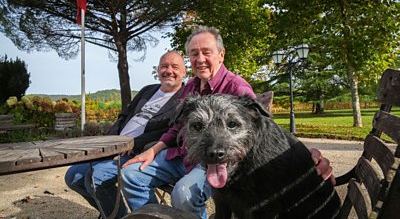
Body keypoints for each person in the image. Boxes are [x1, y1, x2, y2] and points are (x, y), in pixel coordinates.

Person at [120, 26, 335, 219]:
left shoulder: (238, 88)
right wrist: (154, 149)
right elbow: (176, 127)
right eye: (194, 54)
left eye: (207, 52)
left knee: (183, 193)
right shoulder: (191, 87)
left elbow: (263, 134)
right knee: (130, 174)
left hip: (223, 163)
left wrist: (307, 155)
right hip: (188, 156)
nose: (200, 58)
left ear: (221, 55)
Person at [64, 50, 187, 218]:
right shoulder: (148, 90)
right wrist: (111, 141)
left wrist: (133, 144)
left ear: (184, 71)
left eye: (175, 67)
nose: (169, 71)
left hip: (139, 152)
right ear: (158, 70)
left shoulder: (185, 98)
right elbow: (124, 116)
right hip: (114, 147)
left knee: (95, 178)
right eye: (164, 66)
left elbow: (172, 132)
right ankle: (114, 214)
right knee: (73, 176)